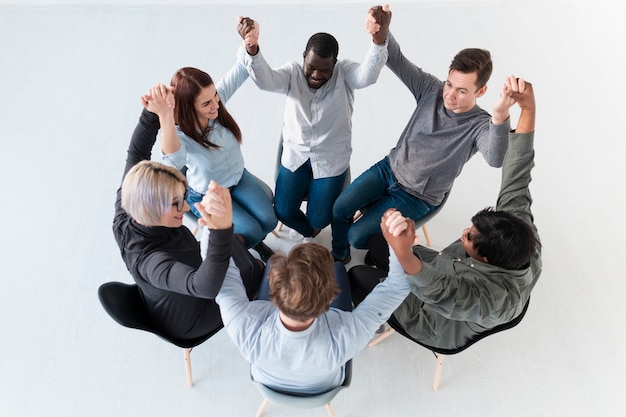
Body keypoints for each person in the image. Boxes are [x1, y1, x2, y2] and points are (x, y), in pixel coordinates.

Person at [348, 78, 541, 350]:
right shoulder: (518, 229)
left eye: (470, 237)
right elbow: (517, 175)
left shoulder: (494, 300)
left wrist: (403, 253)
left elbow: (441, 292)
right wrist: (528, 108)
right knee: (377, 241)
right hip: (442, 267)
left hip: (431, 318)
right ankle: (387, 265)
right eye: (471, 227)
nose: (463, 232)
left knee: (355, 275)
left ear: (486, 259)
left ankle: (375, 315)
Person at [331, 4, 517, 263]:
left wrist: (500, 116)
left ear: (481, 91)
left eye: (462, 91)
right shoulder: (432, 88)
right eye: (450, 83)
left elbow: (496, 159)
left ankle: (370, 217)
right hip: (389, 170)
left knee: (357, 237)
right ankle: (338, 255)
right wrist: (381, 31)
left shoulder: (480, 125)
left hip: (417, 197)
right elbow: (395, 58)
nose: (450, 95)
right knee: (339, 209)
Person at [202, 180, 411, 394]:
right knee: (338, 268)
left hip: (267, 381)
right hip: (323, 384)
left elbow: (220, 275)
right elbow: (397, 287)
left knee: (293, 264)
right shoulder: (347, 335)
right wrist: (399, 246)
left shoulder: (245, 326)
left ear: (273, 288)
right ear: (330, 299)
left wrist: (215, 226)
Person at [112, 86, 264, 340]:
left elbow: (137, 154)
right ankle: (259, 275)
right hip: (191, 315)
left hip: (179, 281)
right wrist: (219, 229)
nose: (185, 207)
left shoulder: (130, 200)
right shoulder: (151, 261)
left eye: (182, 197)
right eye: (175, 204)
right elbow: (203, 287)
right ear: (150, 209)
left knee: (235, 244)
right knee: (251, 270)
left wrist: (154, 111)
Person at [237, 7, 389, 241]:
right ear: (303, 57)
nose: (316, 74)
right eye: (311, 67)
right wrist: (253, 49)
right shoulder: (292, 72)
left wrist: (378, 41)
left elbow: (366, 76)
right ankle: (309, 232)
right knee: (283, 211)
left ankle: (314, 227)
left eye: (324, 70)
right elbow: (266, 80)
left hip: (331, 159)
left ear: (335, 63)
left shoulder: (345, 72)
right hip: (296, 156)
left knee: (320, 219)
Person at [157, 19, 276, 259]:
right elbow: (170, 161)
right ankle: (255, 245)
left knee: (269, 221)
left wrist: (250, 44)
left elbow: (241, 69)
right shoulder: (179, 135)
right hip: (207, 194)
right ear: (188, 108)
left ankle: (255, 240)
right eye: (206, 103)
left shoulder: (215, 104)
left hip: (239, 178)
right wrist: (164, 114)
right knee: (251, 230)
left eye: (215, 97)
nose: (216, 105)